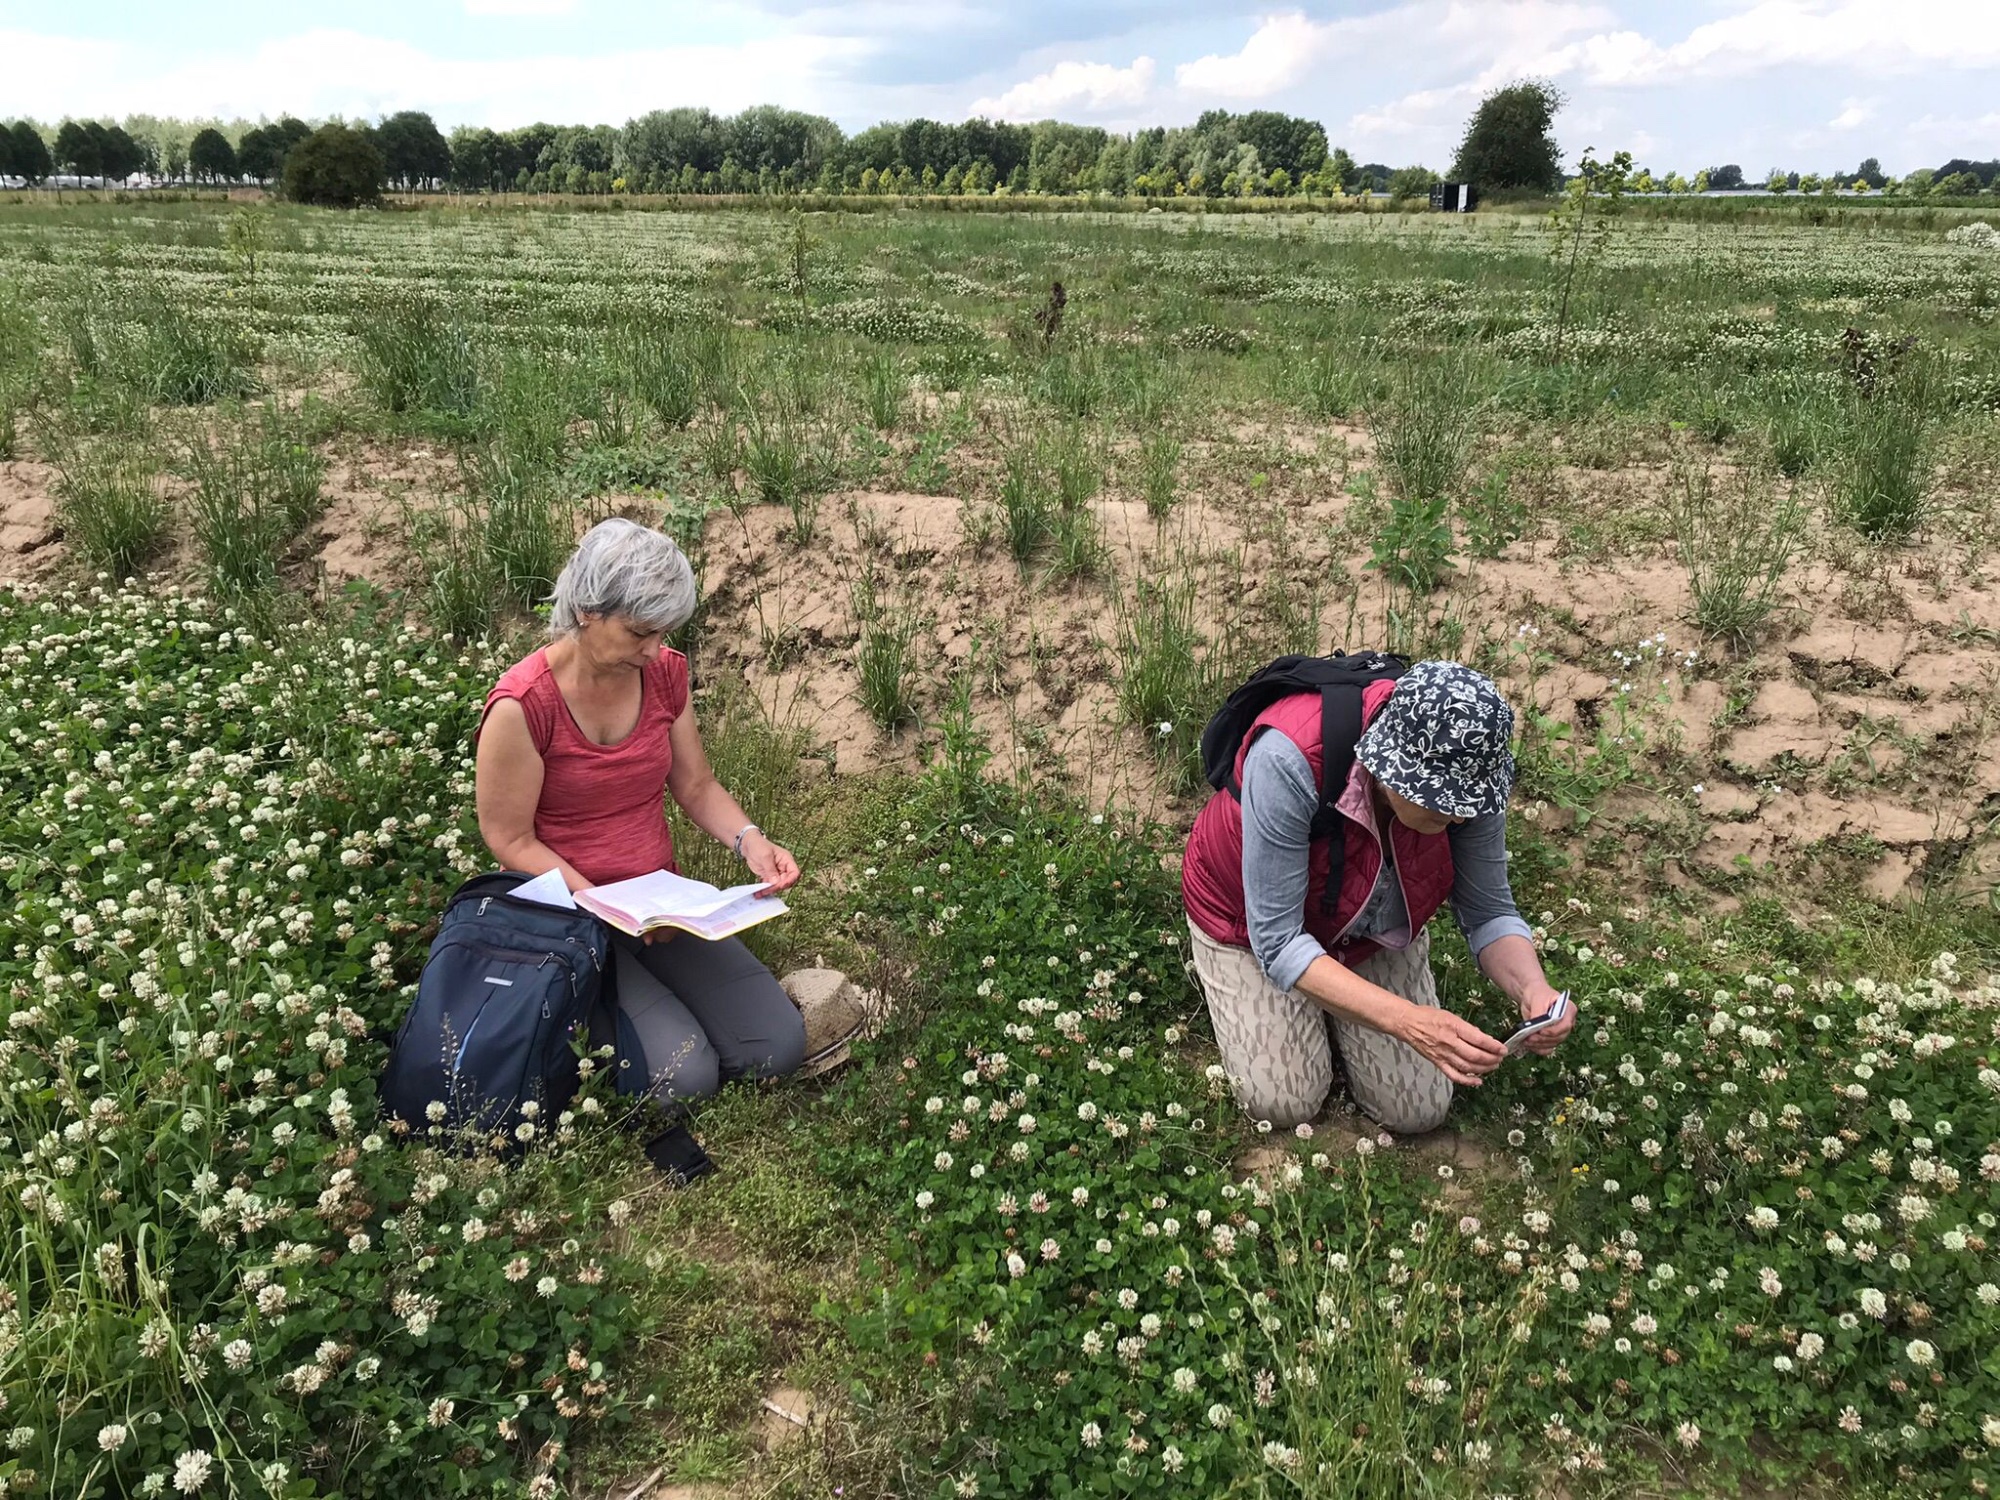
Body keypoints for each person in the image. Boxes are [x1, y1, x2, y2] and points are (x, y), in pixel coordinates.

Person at [475, 519, 806, 1173]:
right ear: (587, 611)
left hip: (661, 908)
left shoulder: (664, 676)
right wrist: (604, 904)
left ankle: (644, 1010)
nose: (655, 651)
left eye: (664, 633)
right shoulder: (523, 706)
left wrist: (751, 841)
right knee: (684, 1078)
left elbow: (696, 783)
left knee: (777, 1044)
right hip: (572, 923)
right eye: (639, 632)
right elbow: (508, 837)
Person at [1180, 659, 1575, 1134]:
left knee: (1419, 1111)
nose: (1461, 820)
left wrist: (1533, 989)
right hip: (1244, 917)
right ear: (1391, 768)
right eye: (1443, 804)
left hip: (1366, 925)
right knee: (1283, 1100)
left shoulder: (1472, 779)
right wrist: (1409, 1021)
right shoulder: (1290, 758)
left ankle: (1328, 997)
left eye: (1470, 804)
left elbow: (1488, 909)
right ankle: (1252, 975)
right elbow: (1279, 941)